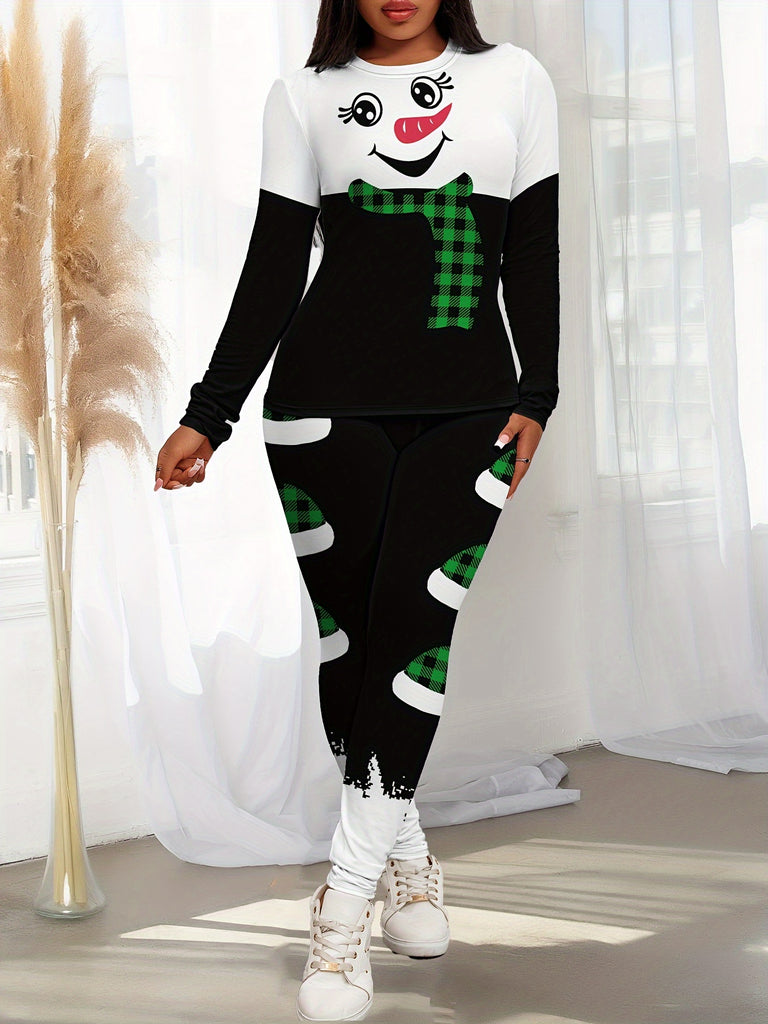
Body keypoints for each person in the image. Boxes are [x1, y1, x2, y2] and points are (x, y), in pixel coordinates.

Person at [154, 0, 560, 1019]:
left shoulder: (515, 80)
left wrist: (539, 392)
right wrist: (210, 413)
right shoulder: (302, 94)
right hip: (318, 408)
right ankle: (406, 858)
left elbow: (533, 247)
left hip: (473, 412)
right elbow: (275, 263)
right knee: (354, 644)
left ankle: (340, 914)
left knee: (416, 633)